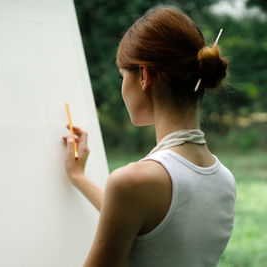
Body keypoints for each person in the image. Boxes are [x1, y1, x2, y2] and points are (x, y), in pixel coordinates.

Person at [61, 6, 236, 267]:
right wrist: (78, 177)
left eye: (123, 76)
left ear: (144, 75)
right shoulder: (225, 180)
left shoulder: (133, 183)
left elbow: (136, 209)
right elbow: (149, 228)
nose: (122, 87)